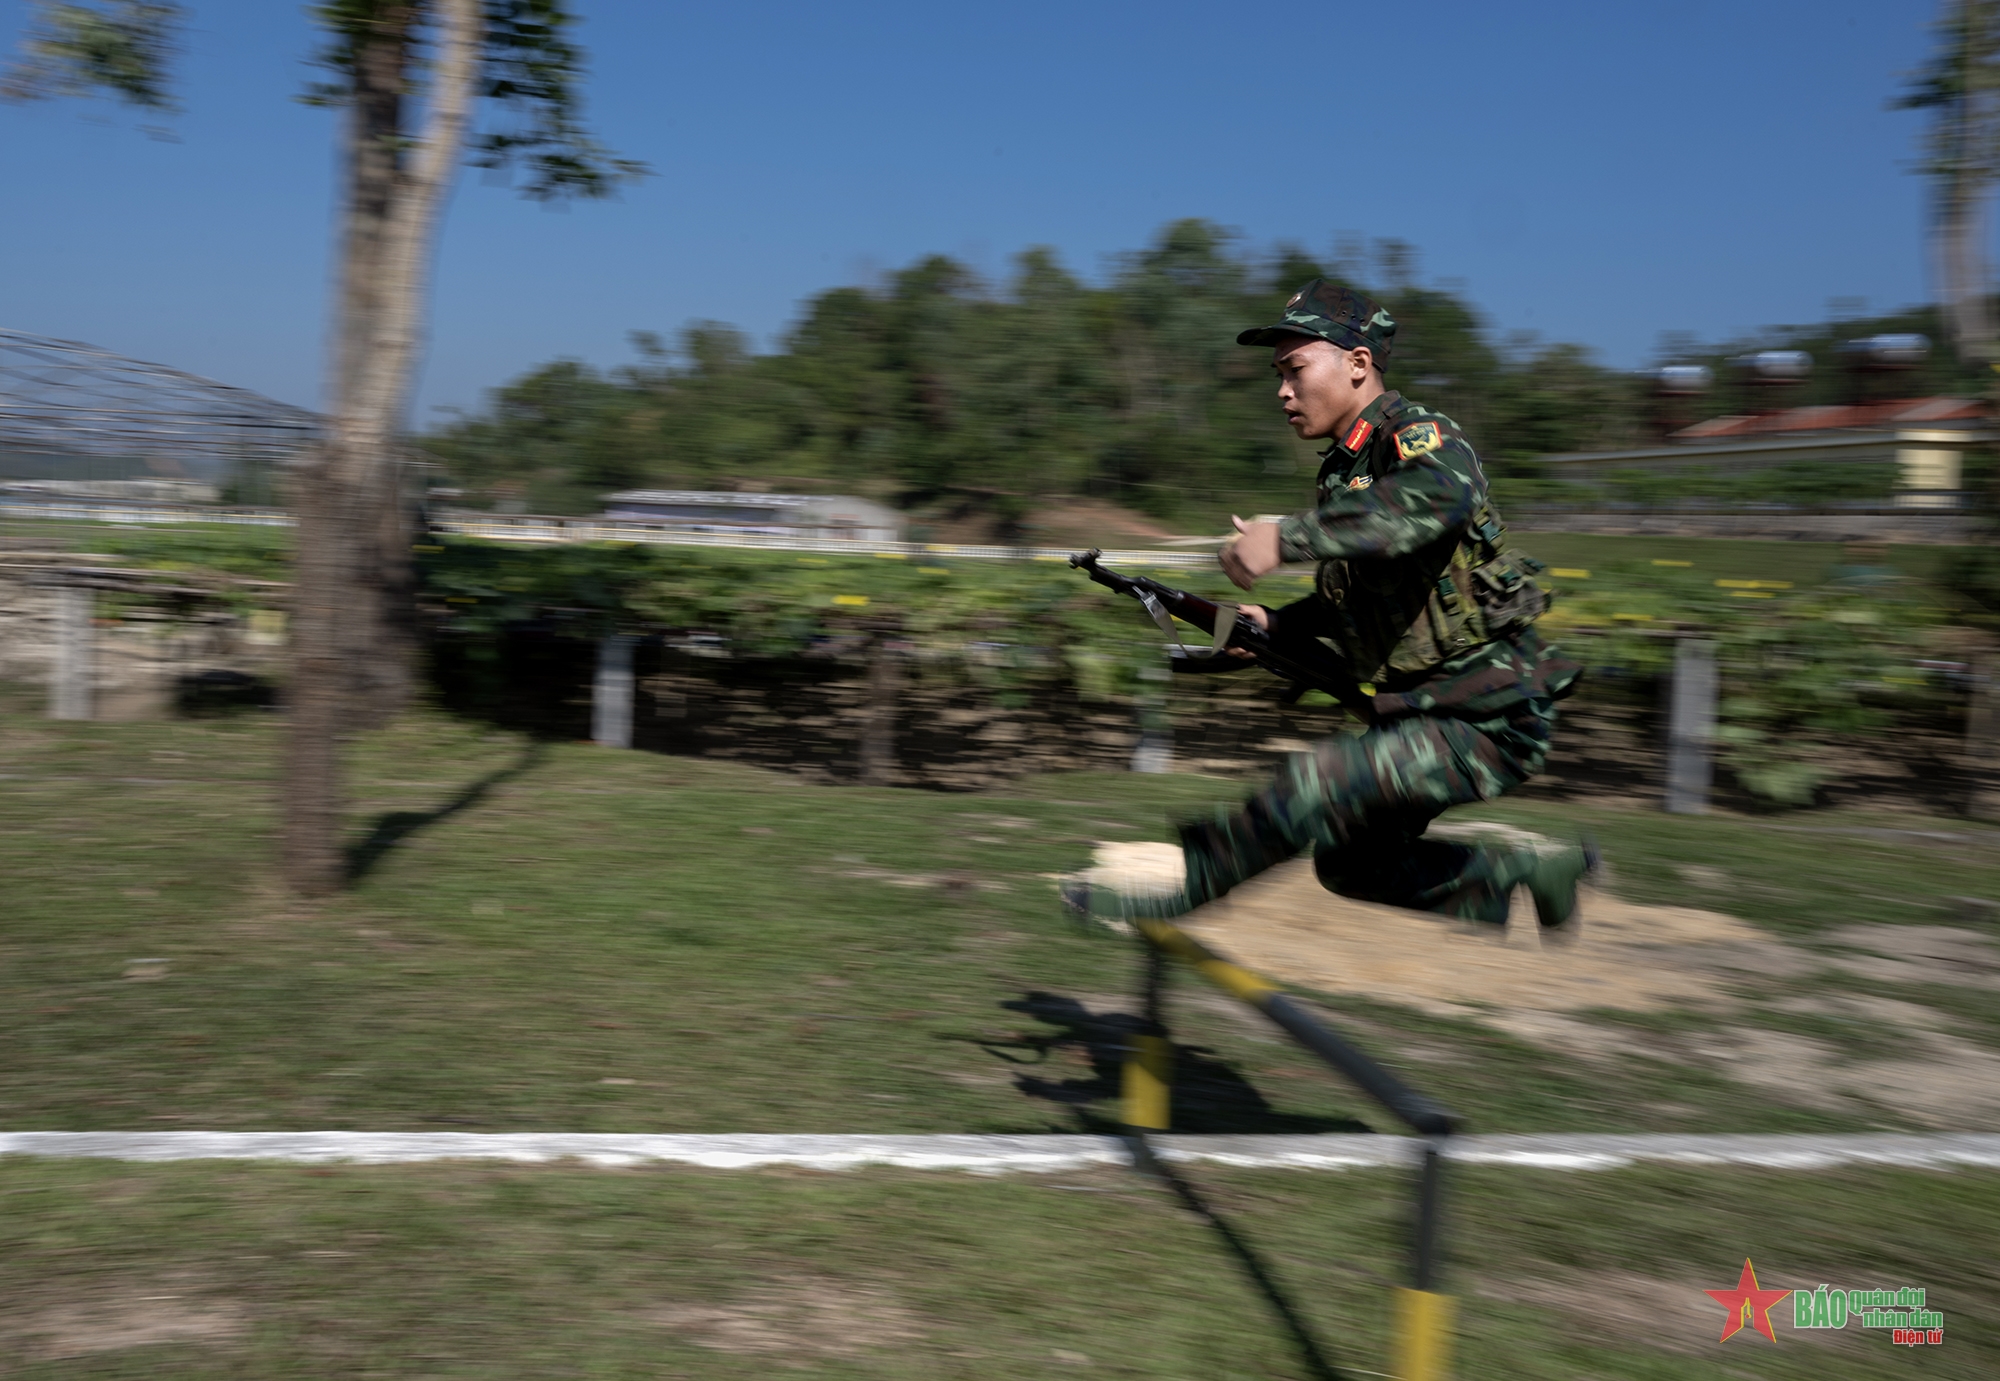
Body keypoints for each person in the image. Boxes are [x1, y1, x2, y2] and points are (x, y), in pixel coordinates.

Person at [1065, 279, 1593, 935]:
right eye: (1277, 374)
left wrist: (1283, 538)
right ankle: (1526, 874)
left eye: (1294, 369)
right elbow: (1357, 596)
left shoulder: (1418, 438)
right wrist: (1276, 625)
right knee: (1352, 864)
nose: (1282, 391)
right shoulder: (1347, 473)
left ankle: (1184, 893)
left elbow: (1435, 500)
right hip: (1424, 716)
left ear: (1358, 364)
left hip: (1489, 714)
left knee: (1316, 782)